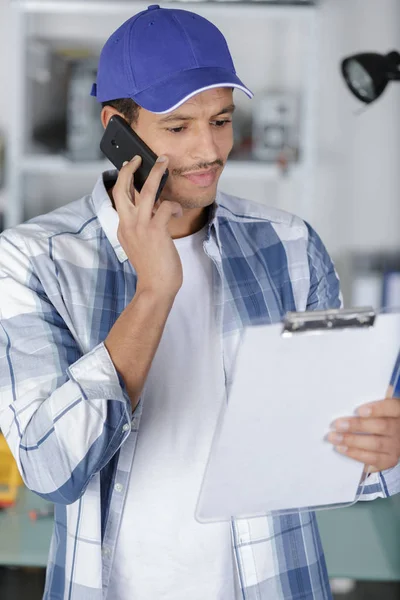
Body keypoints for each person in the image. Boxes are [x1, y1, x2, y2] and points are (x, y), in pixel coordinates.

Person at [0, 5, 399, 600]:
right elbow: (53, 470)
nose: (210, 150)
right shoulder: (31, 259)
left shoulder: (290, 244)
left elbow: (328, 460)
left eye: (221, 120)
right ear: (118, 127)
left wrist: (381, 454)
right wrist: (155, 291)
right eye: (179, 127)